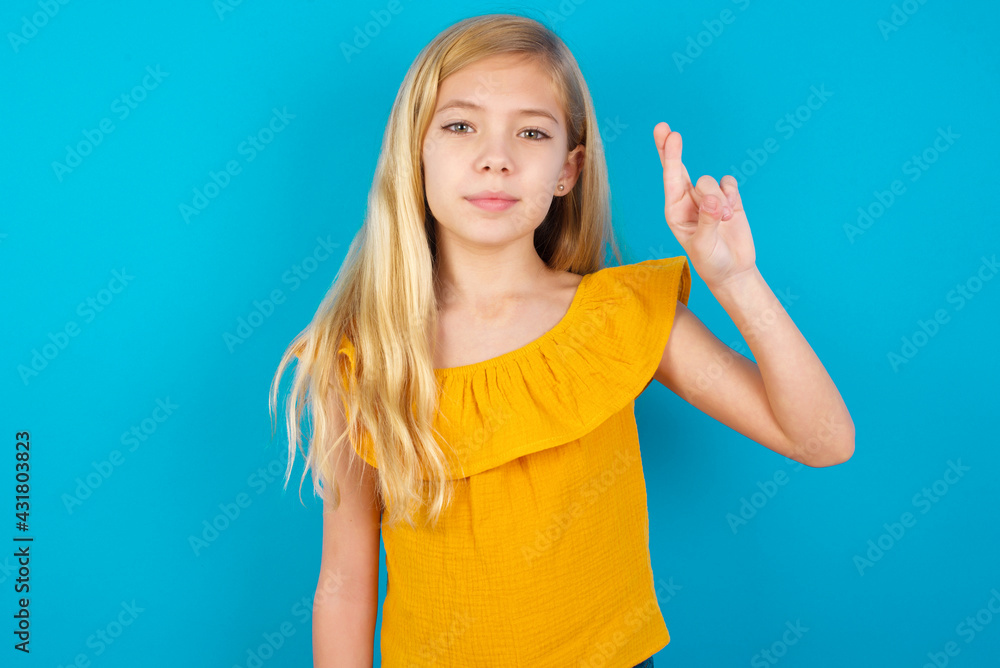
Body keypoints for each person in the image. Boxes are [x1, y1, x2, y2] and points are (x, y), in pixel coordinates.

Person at [269, 12, 855, 668]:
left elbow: (823, 440)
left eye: (532, 131)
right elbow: (346, 584)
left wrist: (735, 279)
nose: (497, 157)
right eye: (461, 125)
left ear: (567, 170)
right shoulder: (367, 354)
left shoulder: (617, 318)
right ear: (417, 151)